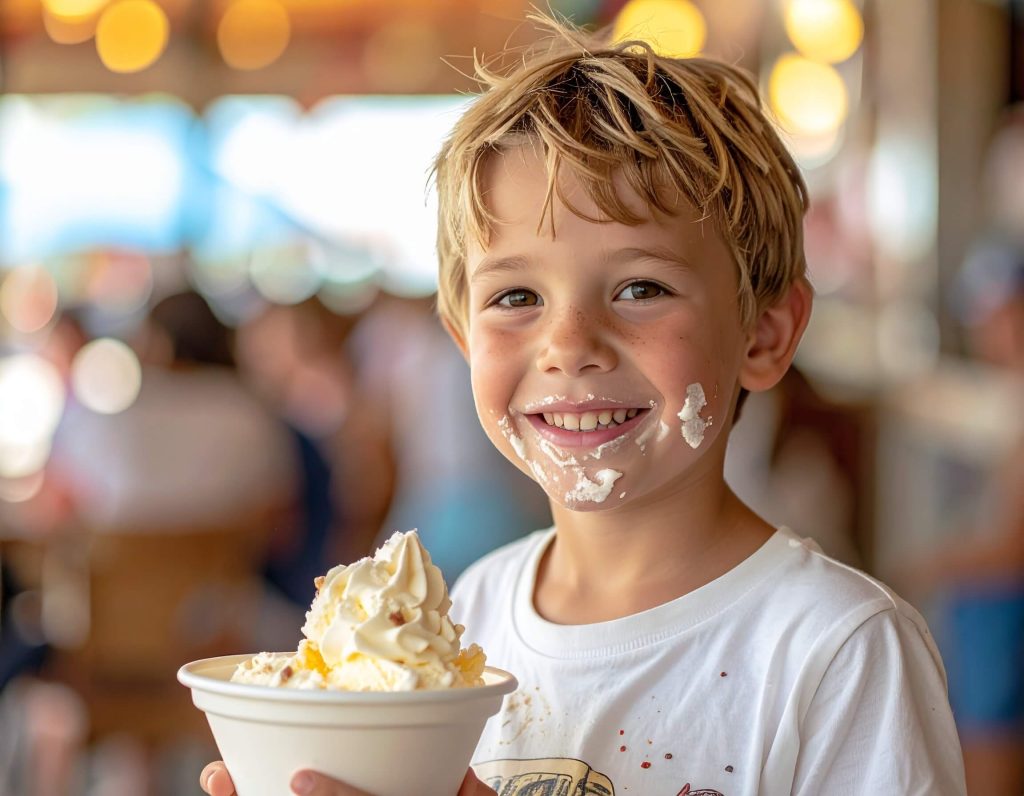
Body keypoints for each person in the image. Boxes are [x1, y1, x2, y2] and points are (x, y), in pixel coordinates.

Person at [202, 15, 966, 796]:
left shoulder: (837, 650)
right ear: (463, 338)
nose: (569, 343)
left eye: (641, 288)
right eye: (517, 296)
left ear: (764, 335)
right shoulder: (461, 622)